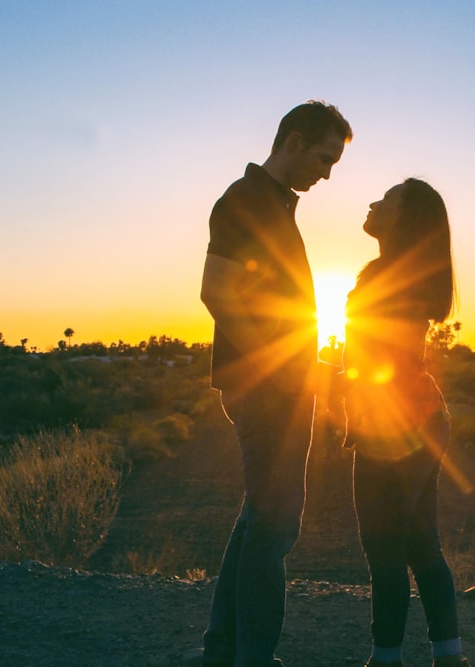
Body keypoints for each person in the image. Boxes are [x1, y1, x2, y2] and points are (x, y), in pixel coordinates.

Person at [187, 101, 352, 667]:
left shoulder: (276, 206)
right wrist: (274, 367)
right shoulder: (245, 201)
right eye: (325, 158)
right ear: (295, 140)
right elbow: (217, 291)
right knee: (276, 524)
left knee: (259, 516)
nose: (327, 173)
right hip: (267, 390)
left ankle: (224, 650)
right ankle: (251, 657)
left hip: (282, 384)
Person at [336, 179, 472, 667]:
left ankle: (386, 659)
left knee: (386, 552)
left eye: (387, 198)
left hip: (393, 427)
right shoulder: (404, 277)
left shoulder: (384, 278)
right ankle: (449, 655)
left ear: (404, 219)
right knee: (420, 545)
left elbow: (377, 360)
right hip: (422, 421)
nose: (373, 201)